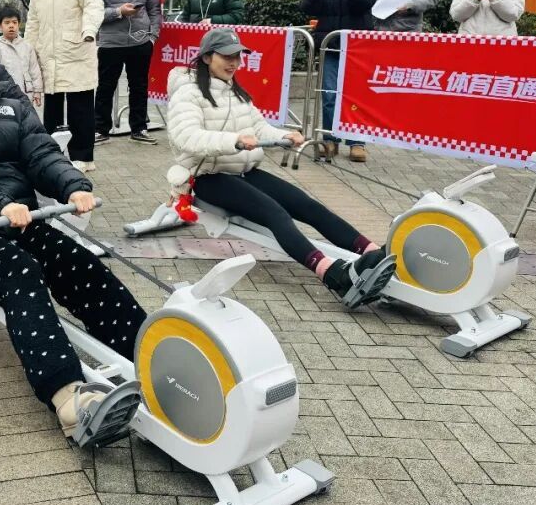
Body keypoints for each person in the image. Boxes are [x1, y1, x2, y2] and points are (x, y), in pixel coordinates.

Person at [0, 32, 145, 443]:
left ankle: (143, 349)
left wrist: (72, 185)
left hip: (20, 222)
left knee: (78, 260)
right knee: (21, 271)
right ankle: (68, 399)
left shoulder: (11, 105)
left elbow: (42, 154)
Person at [165, 28, 394, 308]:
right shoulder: (188, 93)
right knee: (276, 214)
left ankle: (375, 253)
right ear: (206, 57)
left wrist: (284, 135)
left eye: (238, 56)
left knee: (308, 206)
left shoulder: (235, 91)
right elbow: (186, 137)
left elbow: (259, 127)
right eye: (227, 57)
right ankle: (333, 274)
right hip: (208, 177)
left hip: (243, 171)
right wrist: (234, 140)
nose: (234, 63)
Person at [24, 0, 104, 172]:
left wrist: (89, 30)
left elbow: (93, 4)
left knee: (81, 108)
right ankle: (54, 156)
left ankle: (83, 158)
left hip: (76, 49)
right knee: (52, 110)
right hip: (48, 55)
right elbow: (33, 21)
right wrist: (28, 51)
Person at [300, 0, 376, 164]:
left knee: (355, 95)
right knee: (329, 95)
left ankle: (356, 142)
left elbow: (367, 2)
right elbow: (306, 8)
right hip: (330, 46)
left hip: (356, 49)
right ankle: (329, 139)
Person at [92, 0, 162, 145]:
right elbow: (93, 13)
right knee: (105, 87)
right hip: (111, 43)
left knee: (139, 87)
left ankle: (139, 128)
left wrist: (152, 36)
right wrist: (119, 12)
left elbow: (154, 10)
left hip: (140, 42)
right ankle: (100, 129)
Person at [0, 5, 42, 105]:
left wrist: (37, 91)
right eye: (7, 23)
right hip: (5, 97)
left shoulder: (27, 47)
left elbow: (34, 70)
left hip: (26, 94)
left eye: (14, 22)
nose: (11, 26)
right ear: (0, 26)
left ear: (19, 24)